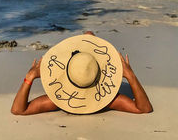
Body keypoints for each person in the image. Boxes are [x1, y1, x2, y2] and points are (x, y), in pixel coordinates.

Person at [11, 31, 153, 115]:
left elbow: (18, 110)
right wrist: (130, 76)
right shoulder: (109, 101)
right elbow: (144, 108)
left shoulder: (58, 101)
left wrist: (29, 78)